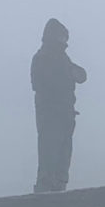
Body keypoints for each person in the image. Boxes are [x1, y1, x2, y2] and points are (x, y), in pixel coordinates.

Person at [30, 18, 87, 193]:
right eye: (62, 37)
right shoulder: (41, 58)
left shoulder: (63, 58)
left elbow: (82, 76)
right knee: (49, 154)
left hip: (65, 114)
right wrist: (65, 77)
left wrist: (70, 73)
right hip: (50, 115)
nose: (65, 41)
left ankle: (59, 189)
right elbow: (40, 85)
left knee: (63, 156)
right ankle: (46, 192)